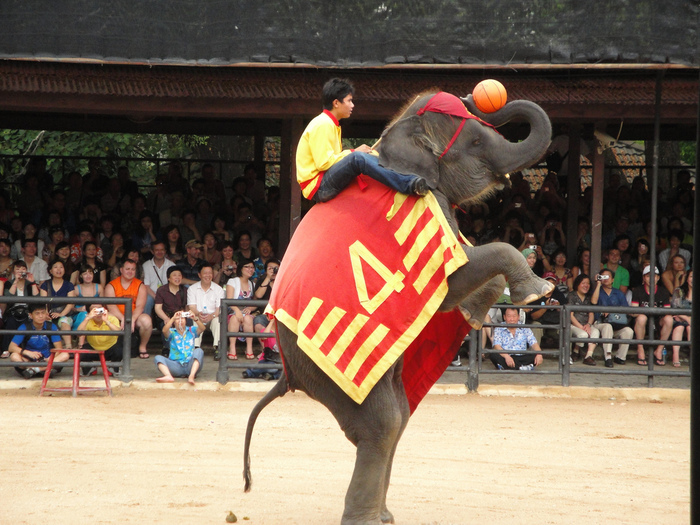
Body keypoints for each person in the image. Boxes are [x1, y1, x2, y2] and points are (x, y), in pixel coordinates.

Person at [296, 77, 429, 203]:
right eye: (349, 101)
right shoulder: (323, 123)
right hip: (318, 185)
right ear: (336, 103)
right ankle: (408, 184)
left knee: (366, 156)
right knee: (357, 158)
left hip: (323, 180)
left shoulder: (331, 123)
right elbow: (323, 163)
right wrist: (353, 151)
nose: (352, 105)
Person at [104, 259, 152, 359]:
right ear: (121, 270)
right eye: (127, 269)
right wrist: (123, 319)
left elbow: (140, 306)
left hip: (134, 316)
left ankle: (142, 347)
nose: (130, 272)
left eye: (133, 269)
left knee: (146, 320)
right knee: (107, 317)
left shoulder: (140, 285)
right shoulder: (111, 285)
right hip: (117, 316)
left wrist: (131, 319)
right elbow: (111, 307)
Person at [8, 303, 67, 379]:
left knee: (65, 355)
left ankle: (35, 370)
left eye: (43, 312)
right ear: (30, 315)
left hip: (47, 359)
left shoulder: (51, 326)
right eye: (37, 313)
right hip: (29, 360)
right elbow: (11, 347)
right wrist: (28, 353)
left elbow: (59, 349)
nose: (41, 316)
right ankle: (44, 369)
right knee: (14, 356)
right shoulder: (24, 327)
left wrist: (49, 359)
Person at [630, 265, 673, 366]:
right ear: (644, 278)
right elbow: (633, 312)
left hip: (658, 319)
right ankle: (640, 349)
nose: (652, 279)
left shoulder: (663, 291)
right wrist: (647, 310)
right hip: (641, 320)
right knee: (641, 318)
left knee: (669, 320)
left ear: (658, 278)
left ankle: (659, 349)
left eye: (654, 276)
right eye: (648, 276)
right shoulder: (637, 290)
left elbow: (667, 311)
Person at [592, 268, 634, 367]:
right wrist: (598, 284)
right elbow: (593, 302)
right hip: (600, 323)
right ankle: (608, 357)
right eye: (603, 276)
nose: (606, 279)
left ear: (613, 280)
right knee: (607, 327)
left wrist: (611, 311)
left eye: (608, 276)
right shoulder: (598, 291)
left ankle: (620, 357)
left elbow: (625, 310)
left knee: (628, 331)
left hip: (616, 323)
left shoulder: (618, 293)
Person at [155, 310, 205, 385]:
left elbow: (202, 328)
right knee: (158, 358)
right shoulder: (172, 332)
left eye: (182, 318)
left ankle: (191, 376)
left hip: (190, 365)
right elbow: (164, 331)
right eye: (178, 319)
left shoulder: (191, 330)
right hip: (176, 366)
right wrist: (173, 318)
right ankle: (168, 376)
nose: (180, 321)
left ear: (185, 320)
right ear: (174, 322)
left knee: (199, 351)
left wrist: (195, 318)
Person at [2, 260, 40, 355]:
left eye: (23, 269)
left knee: (28, 322)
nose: (20, 271)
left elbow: (37, 299)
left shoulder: (29, 283)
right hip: (13, 311)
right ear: (13, 272)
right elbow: (7, 298)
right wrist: (16, 281)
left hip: (27, 311)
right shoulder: (9, 283)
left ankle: (27, 349)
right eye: (17, 269)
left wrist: (33, 283)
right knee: (10, 321)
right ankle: (7, 349)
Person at [186, 263, 224, 356]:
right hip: (199, 315)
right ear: (199, 275)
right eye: (205, 273)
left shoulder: (218, 289)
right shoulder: (192, 289)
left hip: (213, 316)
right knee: (195, 319)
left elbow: (219, 309)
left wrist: (212, 316)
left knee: (217, 321)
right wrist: (199, 314)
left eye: (210, 273)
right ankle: (196, 348)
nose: (208, 275)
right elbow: (192, 307)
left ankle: (218, 348)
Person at [75, 304, 123, 376]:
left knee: (120, 349)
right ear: (89, 312)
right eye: (94, 311)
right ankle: (89, 369)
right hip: (94, 348)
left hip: (111, 348)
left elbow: (119, 332)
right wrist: (87, 318)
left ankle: (114, 369)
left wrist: (106, 321)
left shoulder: (112, 319)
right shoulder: (88, 320)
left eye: (100, 310)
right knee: (82, 352)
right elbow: (78, 334)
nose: (98, 313)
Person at [226, 259, 258, 360]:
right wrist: (237, 311)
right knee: (235, 319)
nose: (250, 269)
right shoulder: (232, 281)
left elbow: (256, 302)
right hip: (232, 311)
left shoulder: (252, 284)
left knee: (248, 319)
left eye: (252, 267)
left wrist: (250, 308)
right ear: (241, 269)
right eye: (247, 267)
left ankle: (249, 348)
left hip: (246, 313)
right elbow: (229, 300)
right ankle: (232, 348)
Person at [567, 274, 602, 365]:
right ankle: (575, 350)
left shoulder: (588, 297)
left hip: (586, 324)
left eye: (588, 283)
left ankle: (588, 356)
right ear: (577, 284)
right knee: (583, 334)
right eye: (583, 283)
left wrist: (588, 325)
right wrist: (581, 327)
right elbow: (570, 315)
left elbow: (591, 313)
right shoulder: (572, 296)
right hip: (574, 324)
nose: (586, 285)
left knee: (595, 332)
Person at [39, 259, 75, 348]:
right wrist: (46, 314)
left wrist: (61, 314)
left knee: (64, 322)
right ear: (50, 271)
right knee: (43, 322)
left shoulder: (69, 285)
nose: (58, 270)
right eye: (55, 267)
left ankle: (68, 346)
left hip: (64, 314)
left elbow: (70, 303)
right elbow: (44, 302)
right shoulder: (45, 285)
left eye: (61, 267)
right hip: (48, 313)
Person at [154, 266, 188, 355]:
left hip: (181, 316)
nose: (177, 278)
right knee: (167, 325)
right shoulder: (161, 290)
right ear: (168, 278)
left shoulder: (185, 290)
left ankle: (186, 347)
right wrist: (166, 319)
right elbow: (158, 308)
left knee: (189, 324)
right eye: (174, 275)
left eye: (179, 275)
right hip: (166, 316)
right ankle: (167, 348)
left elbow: (187, 307)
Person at [141, 241, 176, 316]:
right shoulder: (146, 265)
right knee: (147, 300)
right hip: (152, 294)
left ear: (165, 251)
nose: (159, 252)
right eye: (157, 250)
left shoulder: (172, 265)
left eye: (162, 250)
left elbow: (174, 284)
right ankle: (146, 323)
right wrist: (157, 298)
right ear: (152, 251)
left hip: (168, 294)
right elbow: (146, 286)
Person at [71, 262, 103, 332]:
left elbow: (103, 305)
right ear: (81, 276)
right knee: (84, 314)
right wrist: (79, 309)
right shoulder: (76, 289)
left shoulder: (99, 287)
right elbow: (71, 308)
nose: (88, 276)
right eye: (85, 274)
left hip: (96, 313)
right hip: (80, 314)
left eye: (90, 273)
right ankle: (79, 336)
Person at [670, 270, 692, 367]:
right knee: (679, 327)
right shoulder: (679, 290)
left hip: (693, 321)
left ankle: (693, 356)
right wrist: (687, 318)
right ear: (687, 278)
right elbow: (675, 308)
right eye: (691, 276)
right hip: (679, 319)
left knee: (690, 328)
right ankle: (675, 356)